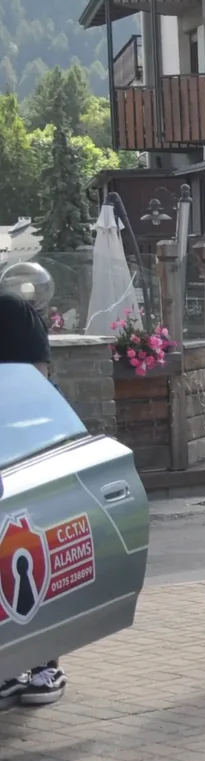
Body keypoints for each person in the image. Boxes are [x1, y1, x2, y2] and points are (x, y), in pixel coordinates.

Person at [0, 291, 64, 707]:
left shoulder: (13, 312)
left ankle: (44, 662)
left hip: (19, 449)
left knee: (29, 555)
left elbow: (37, 378)